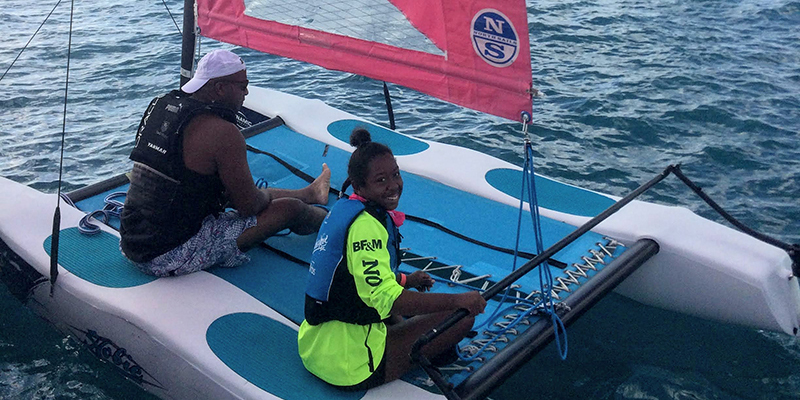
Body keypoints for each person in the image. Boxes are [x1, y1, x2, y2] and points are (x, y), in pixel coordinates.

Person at [297, 128, 486, 391]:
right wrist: (458, 300)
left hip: (314, 346)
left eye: (396, 174)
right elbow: (389, 299)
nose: (394, 185)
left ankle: (403, 334)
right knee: (460, 316)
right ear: (359, 186)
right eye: (381, 180)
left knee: (404, 303)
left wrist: (408, 280)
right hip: (350, 365)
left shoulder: (346, 209)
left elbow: (356, 278)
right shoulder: (366, 227)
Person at [119, 49, 330, 277]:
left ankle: (311, 193)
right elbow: (248, 206)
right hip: (167, 255)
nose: (246, 92)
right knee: (292, 209)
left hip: (132, 240)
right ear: (220, 88)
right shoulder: (223, 132)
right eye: (242, 86)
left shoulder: (160, 106)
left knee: (234, 190)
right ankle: (336, 225)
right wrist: (266, 198)